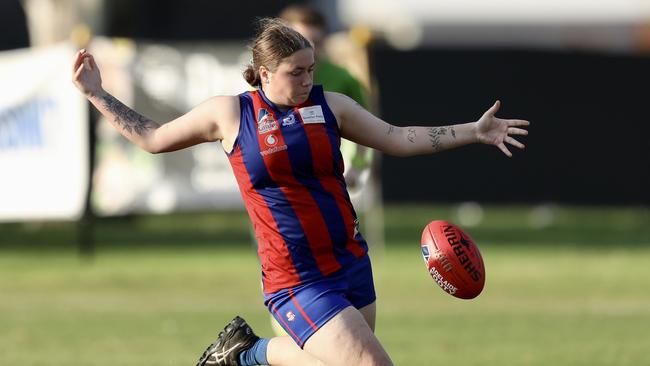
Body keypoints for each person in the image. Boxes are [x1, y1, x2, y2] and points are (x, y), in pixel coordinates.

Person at [72, 18, 529, 366]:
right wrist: (96, 93)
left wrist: (473, 131)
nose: (307, 79)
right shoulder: (231, 115)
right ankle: (251, 354)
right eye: (295, 72)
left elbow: (397, 137)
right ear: (264, 73)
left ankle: (245, 352)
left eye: (311, 69)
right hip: (296, 280)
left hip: (350, 264)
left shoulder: (330, 106)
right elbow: (152, 137)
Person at [279, 4, 372, 190]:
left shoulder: (343, 78)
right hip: (280, 179)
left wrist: (357, 166)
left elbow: (368, 127)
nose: (309, 49)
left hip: (328, 179)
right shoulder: (267, 79)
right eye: (301, 41)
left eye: (316, 42)